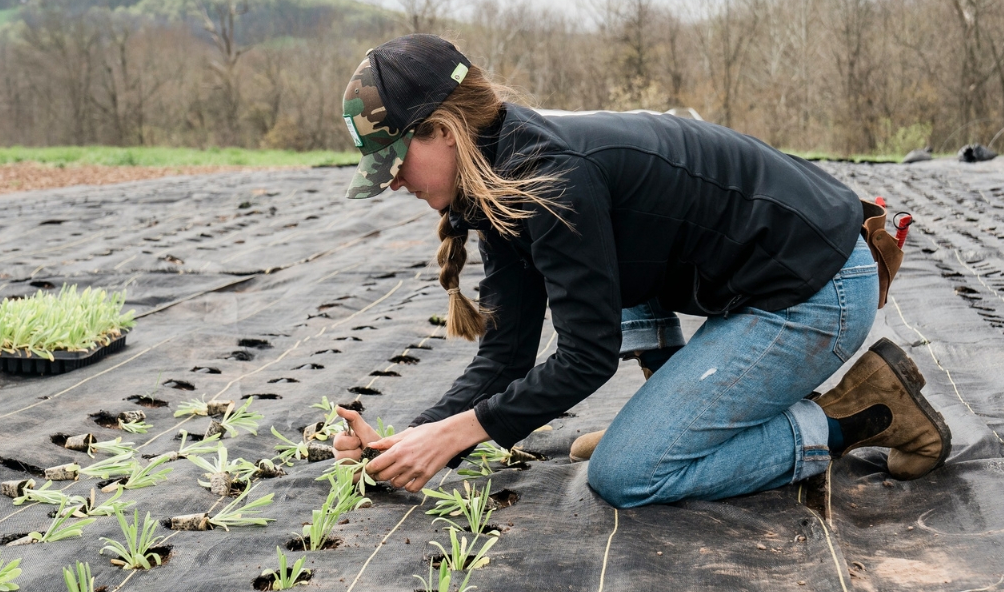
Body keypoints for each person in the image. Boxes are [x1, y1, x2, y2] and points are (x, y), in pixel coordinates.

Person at [331, 34, 951, 507]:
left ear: (442, 130)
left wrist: (455, 434)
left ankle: (862, 413)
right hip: (763, 277)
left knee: (628, 475)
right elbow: (506, 356)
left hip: (816, 289)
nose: (391, 185)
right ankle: (668, 419)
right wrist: (407, 442)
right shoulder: (494, 180)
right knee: (617, 332)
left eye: (395, 163)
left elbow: (586, 356)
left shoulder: (550, 176)